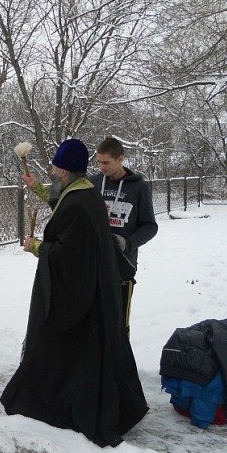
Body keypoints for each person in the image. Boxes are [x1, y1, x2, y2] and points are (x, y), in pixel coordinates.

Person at [1, 138, 148, 447]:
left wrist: (37, 246)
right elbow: (60, 202)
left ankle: (60, 402)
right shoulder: (86, 191)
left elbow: (69, 255)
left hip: (78, 299)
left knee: (58, 345)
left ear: (65, 172)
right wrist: (36, 187)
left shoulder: (80, 203)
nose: (52, 171)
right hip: (93, 292)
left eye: (55, 168)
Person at [89, 137, 158, 335]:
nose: (101, 167)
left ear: (120, 159)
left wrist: (127, 243)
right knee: (93, 323)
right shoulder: (93, 183)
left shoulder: (139, 187)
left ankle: (120, 353)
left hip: (122, 266)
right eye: (98, 162)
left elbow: (150, 226)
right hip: (93, 264)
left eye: (106, 162)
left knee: (117, 323)